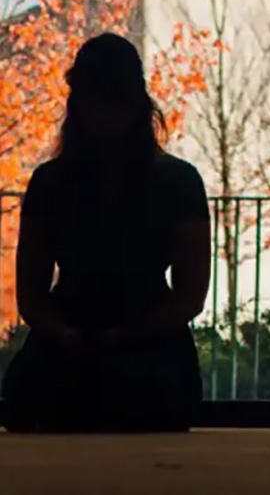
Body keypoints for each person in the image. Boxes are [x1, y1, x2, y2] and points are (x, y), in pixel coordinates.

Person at [2, 33, 211, 433]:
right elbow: (189, 295)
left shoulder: (51, 182)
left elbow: (31, 292)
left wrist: (68, 335)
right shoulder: (179, 181)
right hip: (147, 340)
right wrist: (122, 336)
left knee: (34, 400)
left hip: (86, 335)